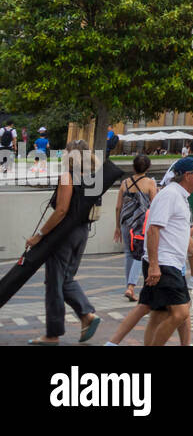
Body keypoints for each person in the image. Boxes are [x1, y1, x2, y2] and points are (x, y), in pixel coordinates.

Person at [23, 140, 102, 345]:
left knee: (54, 284)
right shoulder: (92, 178)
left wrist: (39, 235)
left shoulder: (68, 176)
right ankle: (86, 316)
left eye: (65, 152)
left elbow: (61, 211)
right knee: (66, 279)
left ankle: (53, 334)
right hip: (82, 232)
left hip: (63, 235)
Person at [138, 156, 193, 345]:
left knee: (160, 313)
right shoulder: (170, 195)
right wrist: (154, 265)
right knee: (180, 312)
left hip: (170, 263)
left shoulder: (180, 196)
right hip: (164, 263)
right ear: (188, 176)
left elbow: (181, 235)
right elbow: (153, 229)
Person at [161, 141, 193, 289]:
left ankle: (181, 276)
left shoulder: (178, 163)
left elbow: (164, 182)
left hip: (174, 212)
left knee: (179, 243)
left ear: (188, 149)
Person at [113, 154, 157, 302]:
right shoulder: (150, 183)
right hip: (141, 224)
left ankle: (128, 286)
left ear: (133, 167)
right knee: (140, 253)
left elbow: (118, 207)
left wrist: (117, 227)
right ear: (148, 167)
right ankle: (131, 287)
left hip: (125, 222)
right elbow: (154, 205)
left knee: (128, 254)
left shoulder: (124, 183)